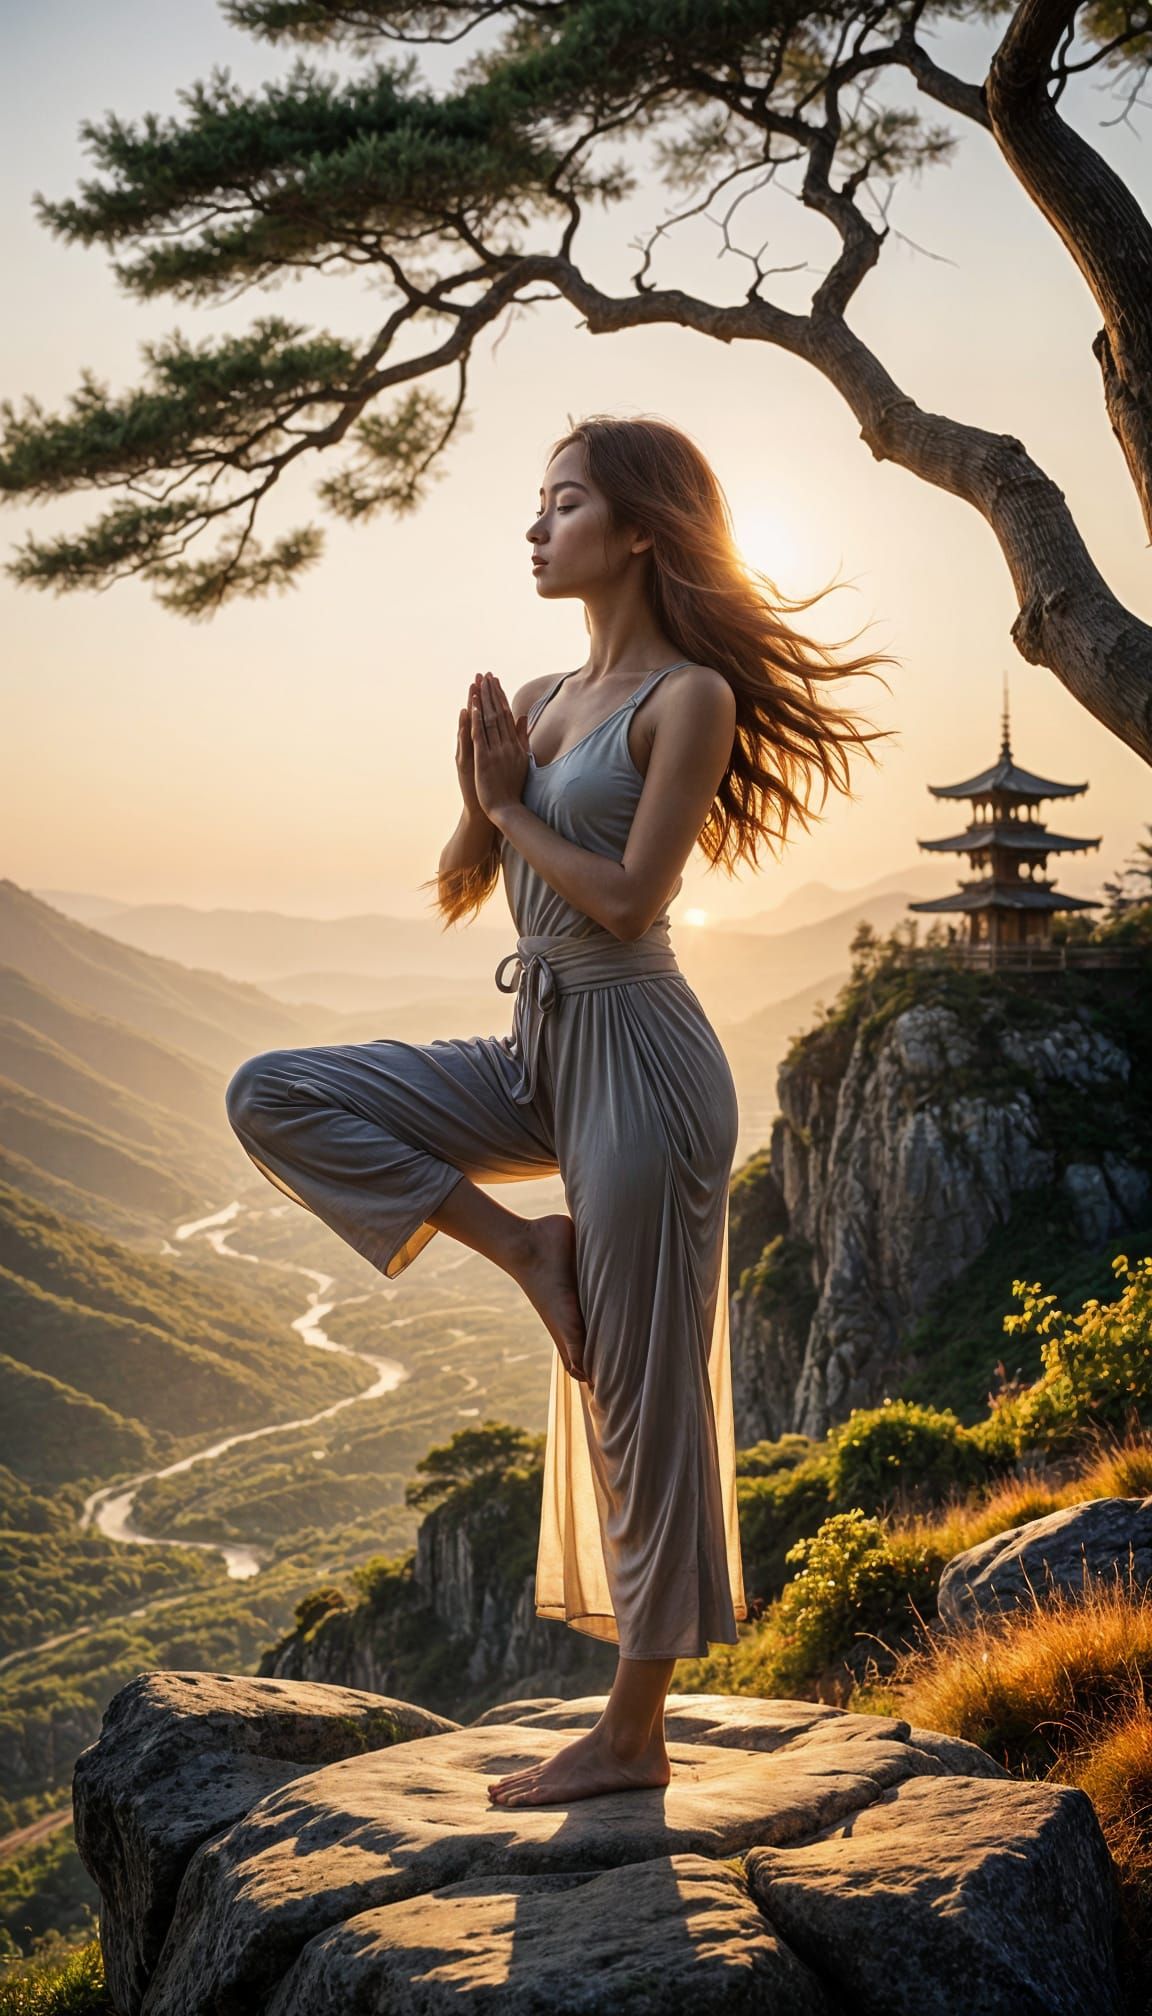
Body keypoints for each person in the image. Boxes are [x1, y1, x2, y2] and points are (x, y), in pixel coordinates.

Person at [225, 413, 894, 1808]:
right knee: (275, 1093)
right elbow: (477, 878)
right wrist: (481, 788)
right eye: (538, 504)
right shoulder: (540, 694)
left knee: (640, 1403)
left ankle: (633, 1730)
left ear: (641, 530)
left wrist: (515, 806)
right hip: (541, 1039)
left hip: (642, 1059)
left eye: (564, 502)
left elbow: (636, 895)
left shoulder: (687, 699)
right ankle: (529, 1252)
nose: (537, 527)